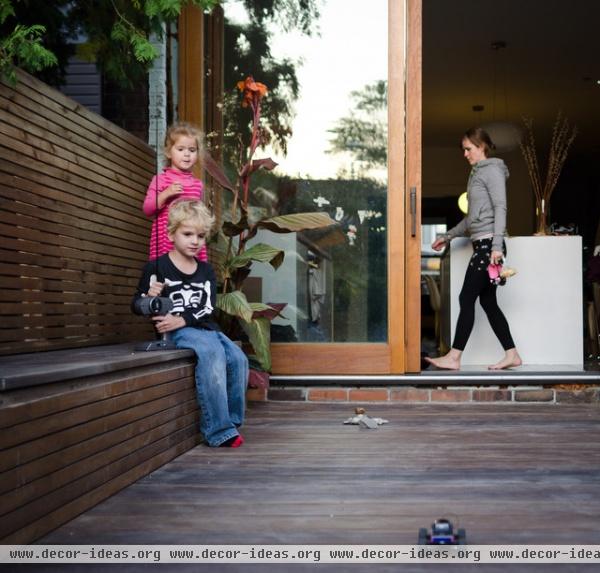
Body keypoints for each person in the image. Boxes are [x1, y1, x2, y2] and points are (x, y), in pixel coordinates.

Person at [132, 200, 248, 447]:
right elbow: (136, 306)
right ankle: (219, 431)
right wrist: (149, 297)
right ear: (171, 233)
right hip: (179, 333)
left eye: (201, 236)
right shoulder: (156, 267)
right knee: (212, 353)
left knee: (239, 359)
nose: (195, 241)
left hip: (204, 328)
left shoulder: (205, 270)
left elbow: (208, 306)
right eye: (188, 234)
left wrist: (183, 318)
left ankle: (232, 421)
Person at [425, 127, 522, 371]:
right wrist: (447, 236)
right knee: (488, 303)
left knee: (466, 297)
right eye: (463, 149)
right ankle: (512, 354)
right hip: (484, 244)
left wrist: (497, 247)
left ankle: (454, 357)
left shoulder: (492, 171)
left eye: (468, 149)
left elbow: (501, 208)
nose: (465, 154)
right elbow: (471, 220)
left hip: (489, 247)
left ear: (482, 146)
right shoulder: (477, 174)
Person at [143, 122, 208, 262]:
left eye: (192, 150)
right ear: (168, 152)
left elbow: (200, 218)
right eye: (180, 149)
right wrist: (166, 194)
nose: (186, 154)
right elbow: (147, 209)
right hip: (166, 243)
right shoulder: (161, 180)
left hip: (191, 242)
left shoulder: (198, 185)